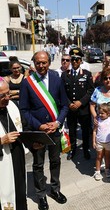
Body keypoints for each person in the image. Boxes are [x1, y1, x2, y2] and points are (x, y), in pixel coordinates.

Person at [19, 51, 69, 210]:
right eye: (38, 63)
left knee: (55, 161)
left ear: (49, 62)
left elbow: (65, 105)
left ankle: (55, 190)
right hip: (38, 132)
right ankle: (41, 196)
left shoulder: (56, 79)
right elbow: (24, 110)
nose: (41, 66)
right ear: (34, 63)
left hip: (54, 130)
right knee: (38, 164)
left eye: (44, 62)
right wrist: (38, 126)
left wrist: (58, 122)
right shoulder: (27, 83)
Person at [61, 48, 94, 160]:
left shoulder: (86, 74)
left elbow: (90, 90)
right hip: (71, 109)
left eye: (77, 60)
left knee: (85, 131)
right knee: (72, 130)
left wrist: (81, 102)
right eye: (73, 60)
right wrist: (69, 103)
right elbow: (63, 92)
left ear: (81, 61)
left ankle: (86, 149)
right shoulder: (65, 75)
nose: (75, 62)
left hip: (83, 108)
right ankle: (73, 149)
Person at [0, 78, 27, 210]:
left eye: (8, 93)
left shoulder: (12, 106)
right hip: (2, 166)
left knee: (20, 194)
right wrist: (1, 141)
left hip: (17, 159)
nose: (7, 98)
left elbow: (24, 127)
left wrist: (34, 143)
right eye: (2, 96)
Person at [90, 68, 110, 167]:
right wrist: (95, 117)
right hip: (101, 122)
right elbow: (92, 105)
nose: (108, 80)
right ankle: (103, 164)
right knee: (102, 142)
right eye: (105, 78)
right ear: (102, 79)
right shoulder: (97, 91)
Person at [92, 102, 110, 181]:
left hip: (108, 142)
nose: (100, 115)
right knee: (99, 157)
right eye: (99, 113)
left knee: (107, 157)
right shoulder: (97, 121)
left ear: (108, 113)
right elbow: (94, 131)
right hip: (99, 142)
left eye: (102, 113)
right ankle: (97, 171)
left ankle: (107, 170)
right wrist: (94, 142)